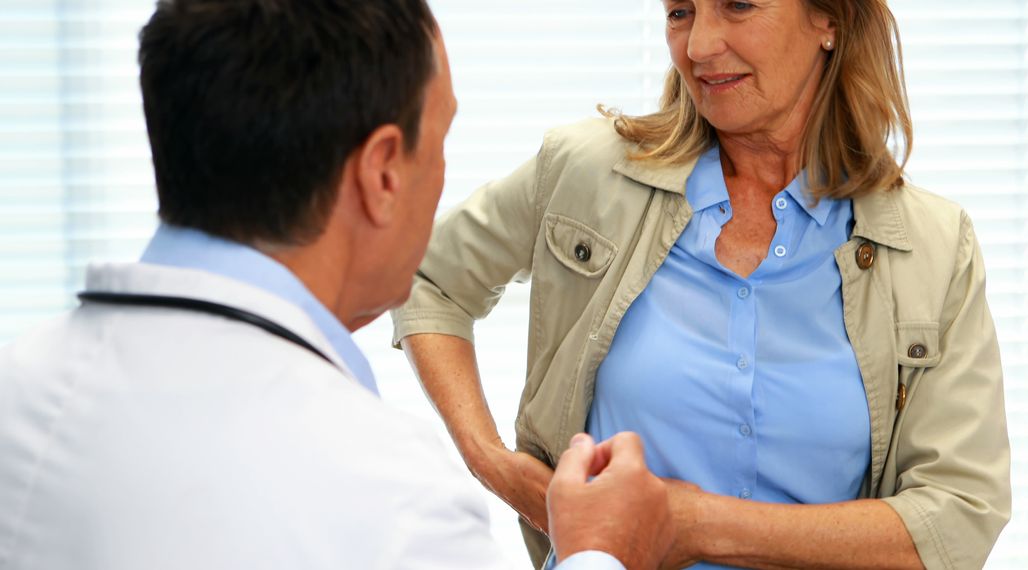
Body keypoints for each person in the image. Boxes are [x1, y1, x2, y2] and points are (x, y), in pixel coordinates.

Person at [0, 1, 675, 569]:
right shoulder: (392, 499)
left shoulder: (17, 390)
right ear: (383, 172)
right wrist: (595, 552)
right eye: (439, 142)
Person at [391, 0, 1011, 569]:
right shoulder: (588, 173)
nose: (699, 45)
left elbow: (956, 517)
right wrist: (496, 465)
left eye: (738, 5)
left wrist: (692, 524)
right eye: (680, 12)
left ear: (830, 20)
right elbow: (427, 276)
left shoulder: (933, 245)